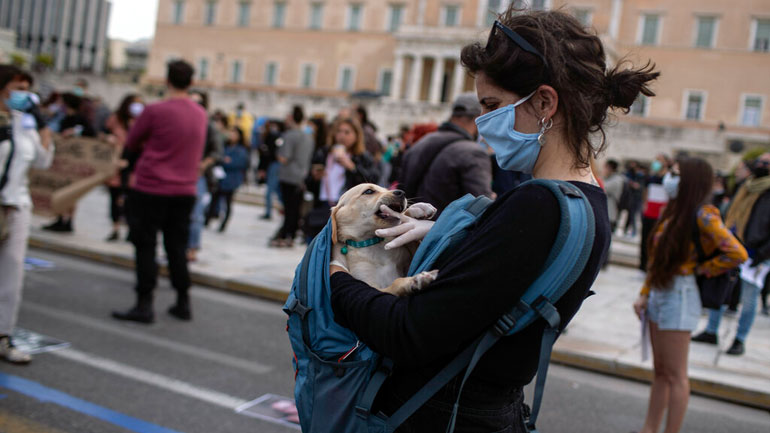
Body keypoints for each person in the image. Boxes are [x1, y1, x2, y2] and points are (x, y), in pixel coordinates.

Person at [329, 8, 656, 431]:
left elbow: (407, 334)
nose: (482, 123)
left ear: (544, 102)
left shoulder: (536, 206)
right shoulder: (588, 202)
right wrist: (448, 235)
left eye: (492, 105)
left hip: (445, 417)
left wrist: (337, 276)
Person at [633, 157, 747, 433]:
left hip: (680, 296)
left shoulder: (703, 214)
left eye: (676, 174)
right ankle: (649, 428)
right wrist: (644, 293)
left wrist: (702, 269)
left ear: (691, 181)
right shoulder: (673, 212)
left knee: (675, 375)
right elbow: (657, 260)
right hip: (661, 293)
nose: (669, 179)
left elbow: (737, 253)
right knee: (660, 370)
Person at [112, 60, 208, 324]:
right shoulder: (201, 114)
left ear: (167, 80)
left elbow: (132, 143)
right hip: (185, 190)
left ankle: (144, 304)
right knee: (177, 246)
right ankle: (183, 301)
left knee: (145, 246)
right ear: (191, 82)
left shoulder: (154, 111)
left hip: (151, 187)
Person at [0, 64, 55, 364]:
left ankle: (3, 336)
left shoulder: (26, 124)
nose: (22, 94)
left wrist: (44, 127)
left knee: (11, 273)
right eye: (17, 88)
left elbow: (44, 161)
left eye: (26, 89)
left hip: (16, 204)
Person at [692, 153, 770, 355]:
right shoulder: (746, 185)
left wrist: (761, 254)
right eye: (760, 162)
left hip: (756, 253)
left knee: (749, 298)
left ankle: (739, 339)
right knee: (721, 289)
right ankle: (711, 331)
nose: (761, 165)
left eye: (766, 163)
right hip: (732, 244)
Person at [399, 93, 493, 216]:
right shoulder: (474, 152)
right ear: (478, 117)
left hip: (411, 227)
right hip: (446, 231)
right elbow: (482, 207)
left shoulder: (421, 142)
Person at [186, 90, 224, 262]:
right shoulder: (182, 123)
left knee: (195, 214)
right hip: (180, 173)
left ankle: (192, 248)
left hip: (198, 175)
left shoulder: (208, 127)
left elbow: (217, 152)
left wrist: (203, 164)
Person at [269, 106, 314, 248]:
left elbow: (284, 157)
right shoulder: (308, 137)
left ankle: (286, 234)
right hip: (302, 175)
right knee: (295, 208)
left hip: (289, 176)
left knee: (288, 208)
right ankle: (291, 234)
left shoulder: (289, 135)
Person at [103, 94, 143, 241]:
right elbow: (103, 132)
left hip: (133, 166)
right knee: (114, 197)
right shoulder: (116, 120)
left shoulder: (142, 121)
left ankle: (130, 229)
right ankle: (115, 227)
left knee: (130, 200)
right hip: (116, 164)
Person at [206, 126, 249, 232]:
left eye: (234, 133)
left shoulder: (241, 150)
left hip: (232, 180)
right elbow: (218, 157)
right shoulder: (225, 146)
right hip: (221, 178)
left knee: (227, 203)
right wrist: (224, 161)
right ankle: (207, 219)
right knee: (214, 200)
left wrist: (227, 161)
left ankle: (223, 223)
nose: (232, 135)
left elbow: (239, 163)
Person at [640, 153, 670, 271]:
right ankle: (642, 266)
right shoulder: (651, 178)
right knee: (645, 239)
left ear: (666, 163)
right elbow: (646, 192)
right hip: (649, 212)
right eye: (656, 160)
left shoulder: (668, 179)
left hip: (660, 214)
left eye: (660, 160)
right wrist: (644, 204)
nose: (657, 162)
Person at [257, 119, 285, 220]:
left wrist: (262, 168)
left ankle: (268, 212)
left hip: (273, 165)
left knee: (270, 190)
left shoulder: (271, 136)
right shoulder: (274, 136)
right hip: (274, 165)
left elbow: (267, 155)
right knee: (276, 190)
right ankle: (283, 208)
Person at [603, 159, 625, 233]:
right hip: (607, 213)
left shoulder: (616, 180)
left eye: (605, 167)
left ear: (609, 168)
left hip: (610, 214)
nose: (604, 170)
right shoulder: (610, 178)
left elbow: (602, 187)